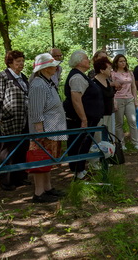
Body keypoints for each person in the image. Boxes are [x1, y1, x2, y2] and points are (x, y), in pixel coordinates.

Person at [0, 50, 31, 191]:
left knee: (22, 149)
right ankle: (6, 182)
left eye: (22, 61)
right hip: (9, 121)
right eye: (18, 62)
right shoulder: (3, 77)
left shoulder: (23, 77)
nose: (21, 64)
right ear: (10, 62)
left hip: (24, 120)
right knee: (8, 151)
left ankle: (20, 178)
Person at [27, 53, 67, 203]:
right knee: (40, 159)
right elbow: (36, 112)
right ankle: (39, 193)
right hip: (44, 132)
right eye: (53, 64)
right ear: (44, 68)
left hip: (53, 129)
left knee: (47, 159)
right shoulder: (38, 84)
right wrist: (39, 133)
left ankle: (48, 188)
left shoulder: (47, 82)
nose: (56, 67)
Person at [63, 50, 104, 180]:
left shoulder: (81, 75)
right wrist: (84, 118)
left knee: (84, 144)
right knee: (79, 144)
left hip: (88, 118)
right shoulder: (77, 77)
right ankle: (77, 171)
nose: (89, 61)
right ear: (79, 62)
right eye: (86, 58)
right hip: (79, 119)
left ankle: (80, 169)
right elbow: (76, 99)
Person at [112, 54, 138, 150]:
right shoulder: (113, 73)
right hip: (118, 98)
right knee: (119, 123)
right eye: (120, 61)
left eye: (124, 61)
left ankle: (136, 142)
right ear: (116, 63)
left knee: (132, 121)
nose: (123, 63)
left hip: (129, 99)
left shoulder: (129, 73)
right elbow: (111, 88)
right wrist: (113, 101)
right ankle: (121, 143)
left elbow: (133, 86)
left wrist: (135, 100)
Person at [92, 57, 115, 143]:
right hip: (98, 117)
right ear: (102, 70)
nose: (111, 70)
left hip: (108, 114)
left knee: (107, 139)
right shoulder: (93, 83)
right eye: (109, 68)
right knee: (98, 140)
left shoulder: (108, 82)